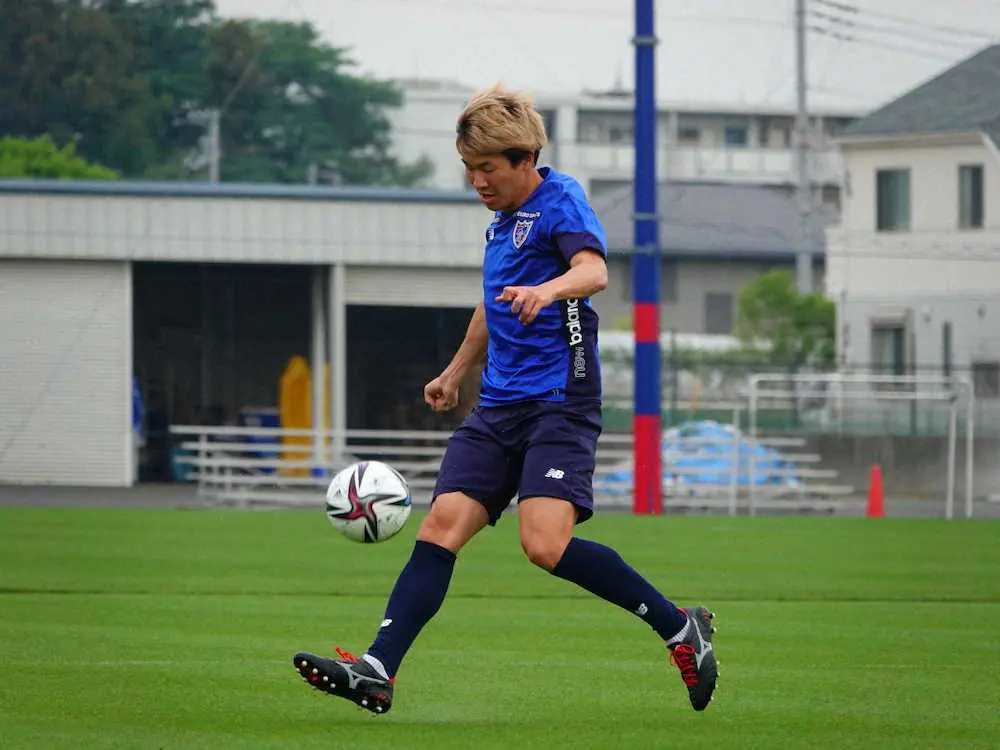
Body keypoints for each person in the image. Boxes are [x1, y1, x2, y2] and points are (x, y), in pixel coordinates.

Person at [293, 84, 718, 714]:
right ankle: (377, 670)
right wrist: (454, 372)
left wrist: (548, 291)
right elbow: (492, 306)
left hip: (560, 401)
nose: (477, 181)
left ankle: (680, 629)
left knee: (544, 545)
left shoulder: (560, 199)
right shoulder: (499, 224)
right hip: (497, 406)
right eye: (469, 169)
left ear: (525, 160)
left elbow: (594, 271)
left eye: (487, 168)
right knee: (440, 526)